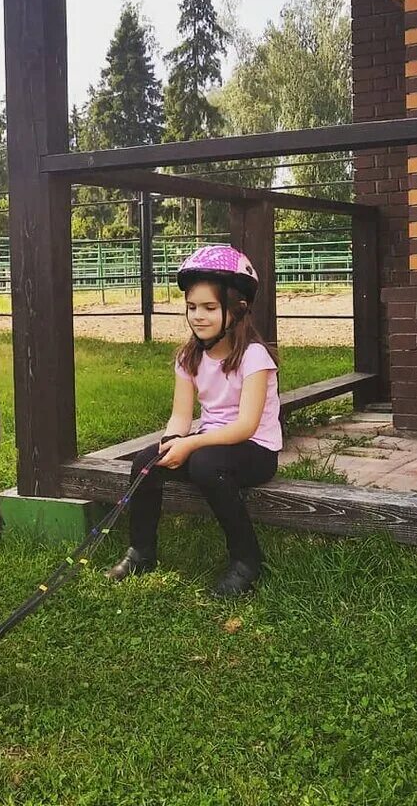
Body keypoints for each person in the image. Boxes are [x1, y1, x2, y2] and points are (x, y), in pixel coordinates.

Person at [106, 245, 281, 597]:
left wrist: (191, 444)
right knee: (145, 462)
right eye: (192, 307)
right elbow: (180, 416)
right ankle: (141, 552)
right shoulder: (188, 358)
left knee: (203, 464)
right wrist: (172, 441)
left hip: (255, 450)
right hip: (209, 445)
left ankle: (247, 561)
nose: (198, 316)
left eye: (210, 308)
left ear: (237, 309)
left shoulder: (254, 357)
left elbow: (246, 425)